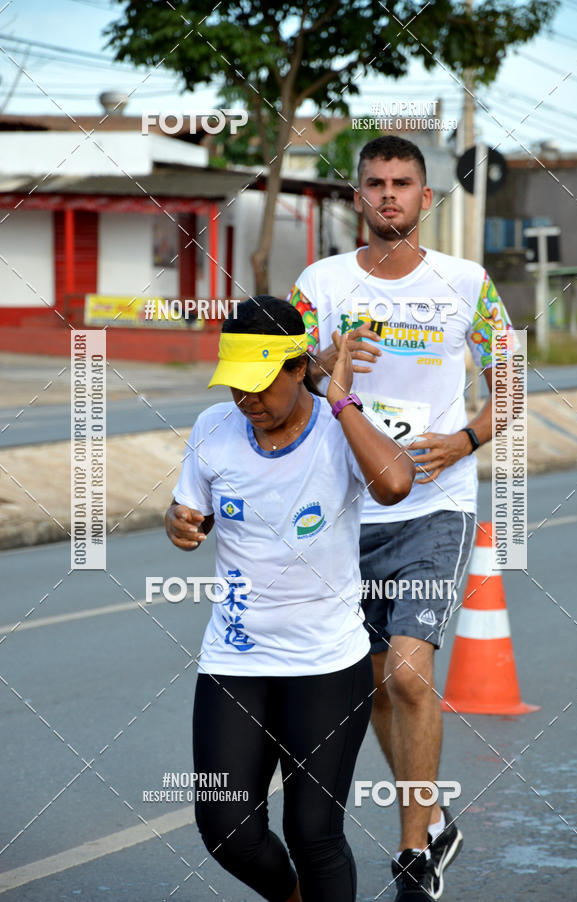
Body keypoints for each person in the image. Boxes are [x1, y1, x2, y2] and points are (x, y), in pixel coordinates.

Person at [288, 136, 515, 900]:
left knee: (413, 675)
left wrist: (464, 440)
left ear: (425, 198)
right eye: (376, 183)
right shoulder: (318, 284)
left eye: (403, 183)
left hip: (434, 510)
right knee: (380, 685)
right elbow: (284, 377)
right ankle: (438, 817)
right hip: (346, 510)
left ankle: (414, 853)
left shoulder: (469, 284)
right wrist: (328, 363)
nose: (389, 194)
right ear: (358, 197)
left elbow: (510, 388)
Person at [165, 296, 415, 902]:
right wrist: (177, 522)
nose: (247, 400)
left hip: (325, 665)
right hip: (236, 661)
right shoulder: (213, 429)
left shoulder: (340, 427)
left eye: (259, 384)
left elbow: (396, 484)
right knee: (227, 832)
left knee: (314, 834)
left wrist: (343, 399)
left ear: (297, 368)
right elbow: (184, 509)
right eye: (235, 386)